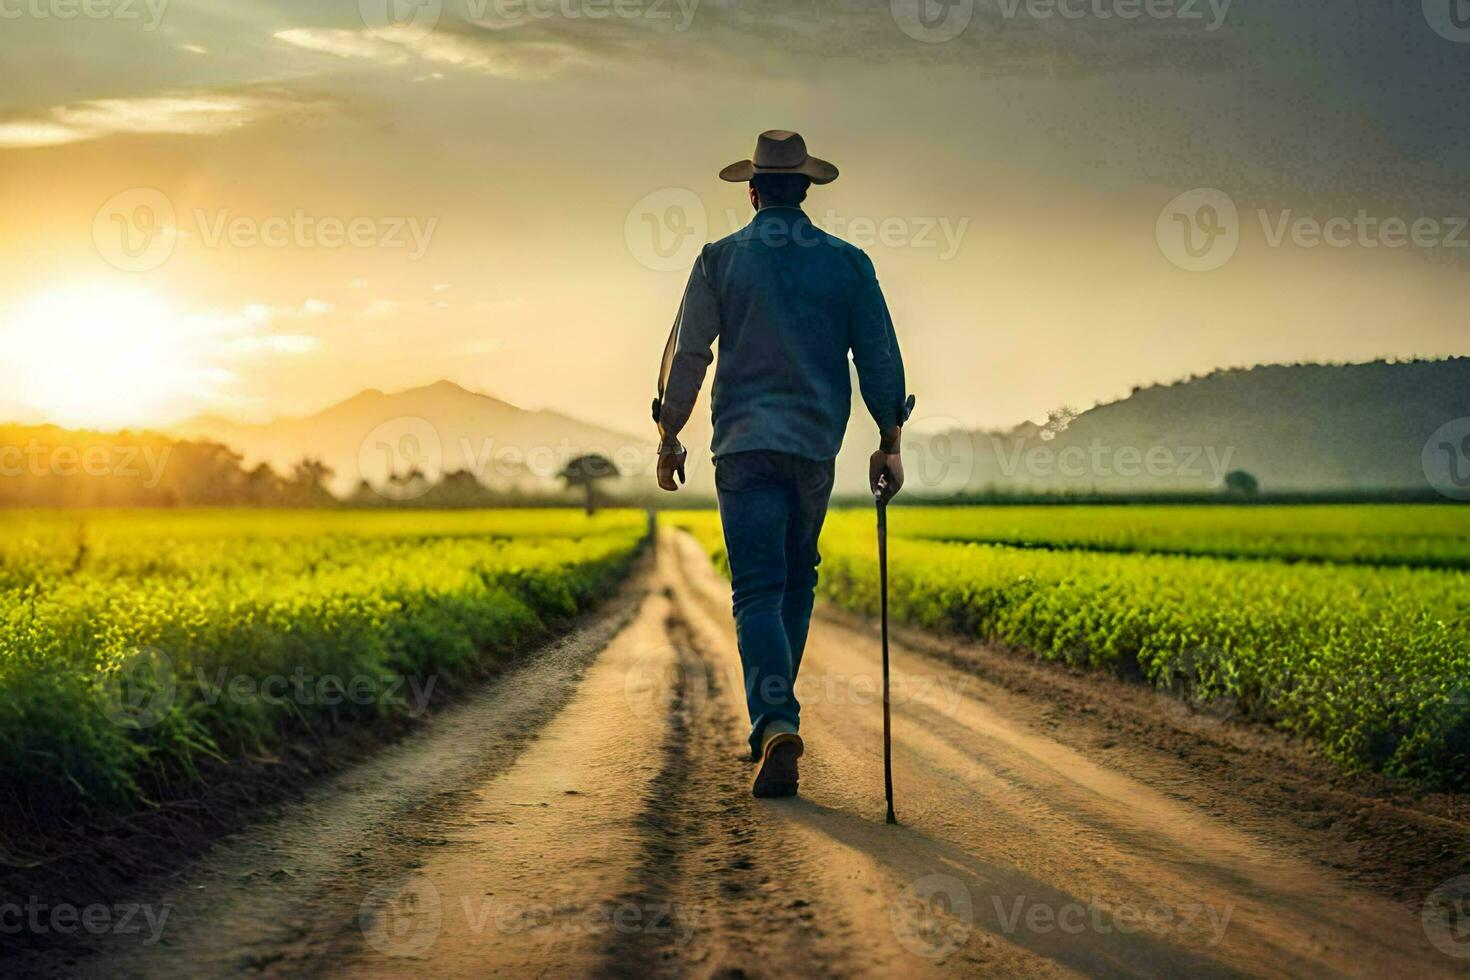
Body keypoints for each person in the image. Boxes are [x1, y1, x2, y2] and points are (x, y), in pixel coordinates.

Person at [651, 130, 911, 799]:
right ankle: (777, 718)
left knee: (758, 589)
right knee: (798, 579)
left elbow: (688, 354)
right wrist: (889, 439)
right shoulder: (849, 264)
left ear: (753, 190)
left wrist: (669, 433)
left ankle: (774, 720)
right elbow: (878, 357)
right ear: (807, 189)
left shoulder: (719, 259)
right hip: (812, 448)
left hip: (741, 447)